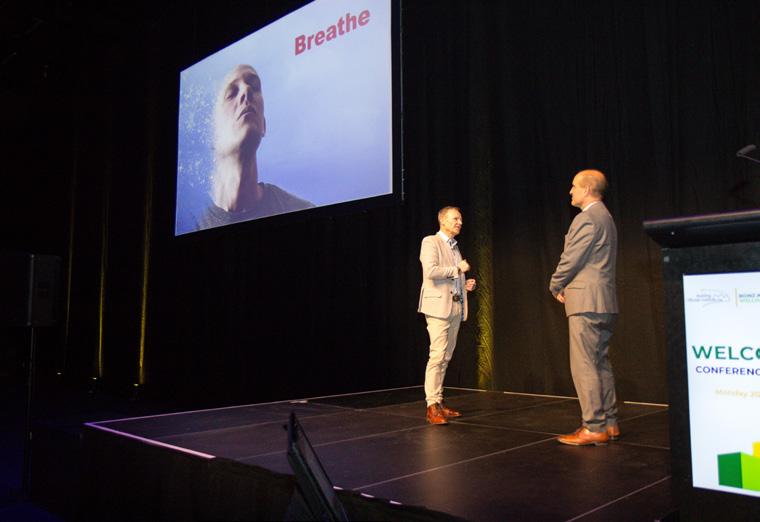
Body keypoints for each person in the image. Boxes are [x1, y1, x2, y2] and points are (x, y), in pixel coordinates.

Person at [549, 169, 619, 446]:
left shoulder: (587, 218)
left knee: (584, 365)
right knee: (600, 362)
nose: (570, 191)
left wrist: (555, 284)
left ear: (588, 189)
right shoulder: (606, 217)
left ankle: (594, 426)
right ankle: (609, 422)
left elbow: (572, 258)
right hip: (604, 300)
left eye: (574, 186)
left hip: (586, 301)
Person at [198, 64, 313, 230]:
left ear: (263, 126)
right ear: (212, 133)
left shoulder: (302, 214)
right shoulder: (192, 225)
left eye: (255, 86)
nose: (246, 90)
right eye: (232, 93)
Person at [418, 206, 477, 425]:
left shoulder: (455, 246)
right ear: (442, 221)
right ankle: (431, 405)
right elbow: (431, 271)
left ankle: (439, 401)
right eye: (455, 219)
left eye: (461, 219)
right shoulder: (430, 242)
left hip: (454, 308)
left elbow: (453, 278)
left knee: (446, 356)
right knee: (437, 355)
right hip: (437, 307)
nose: (460, 222)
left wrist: (465, 285)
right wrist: (458, 270)